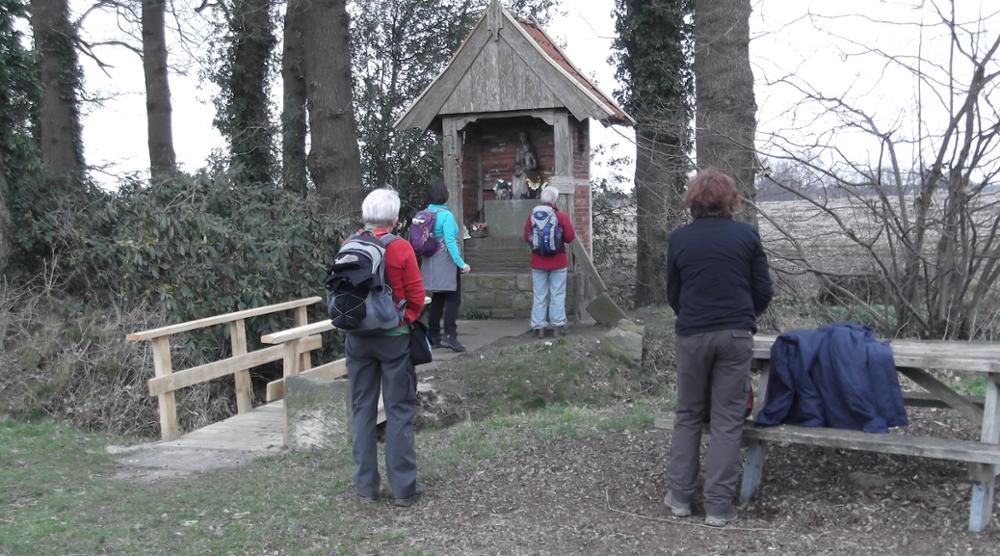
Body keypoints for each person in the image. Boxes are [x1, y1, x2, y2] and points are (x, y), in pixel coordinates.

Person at [663, 169, 773, 527]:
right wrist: (742, 316)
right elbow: (763, 291)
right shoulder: (746, 236)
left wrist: (695, 317)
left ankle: (680, 498)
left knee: (689, 414)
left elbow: (674, 295)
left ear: (693, 201)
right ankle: (718, 507)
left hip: (692, 336)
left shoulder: (680, 240)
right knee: (727, 421)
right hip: (736, 336)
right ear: (730, 201)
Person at [345, 188, 426, 507]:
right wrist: (405, 317)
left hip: (357, 339)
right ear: (394, 219)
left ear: (365, 216)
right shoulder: (401, 247)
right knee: (399, 410)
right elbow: (417, 296)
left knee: (362, 409)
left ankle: (366, 487)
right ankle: (403, 489)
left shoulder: (349, 244)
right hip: (394, 339)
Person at [421, 181, 471, 352]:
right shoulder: (446, 216)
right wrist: (461, 263)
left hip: (431, 262)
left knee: (437, 298)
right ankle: (450, 335)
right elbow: (450, 242)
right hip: (446, 261)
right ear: (445, 196)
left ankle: (433, 336)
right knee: (452, 299)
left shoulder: (426, 213)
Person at [523, 185, 576, 338]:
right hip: (558, 262)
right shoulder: (560, 216)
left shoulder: (532, 216)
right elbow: (570, 237)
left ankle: (538, 327)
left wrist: (538, 247)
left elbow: (527, 236)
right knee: (557, 293)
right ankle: (558, 326)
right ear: (554, 200)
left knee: (539, 294)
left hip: (538, 261)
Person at [512, 131, 537, 199]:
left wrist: (530, 167)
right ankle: (516, 194)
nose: (522, 138)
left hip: (530, 171)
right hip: (522, 169)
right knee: (514, 176)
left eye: (523, 136)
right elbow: (517, 162)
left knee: (523, 175)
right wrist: (518, 167)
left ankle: (524, 193)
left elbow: (535, 165)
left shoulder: (531, 149)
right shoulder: (518, 149)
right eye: (520, 137)